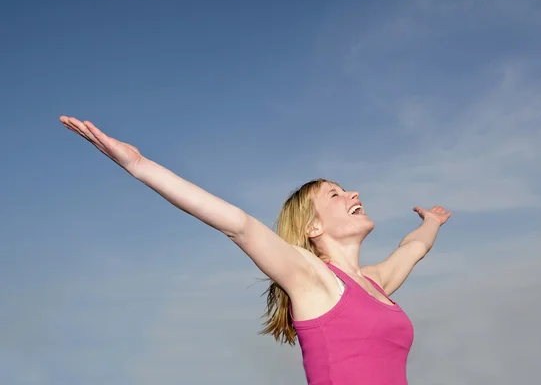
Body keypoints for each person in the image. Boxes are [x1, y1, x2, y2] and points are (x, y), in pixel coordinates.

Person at [59, 116, 451, 385]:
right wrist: (140, 165)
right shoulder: (312, 279)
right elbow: (239, 224)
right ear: (313, 227)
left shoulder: (375, 283)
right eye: (336, 194)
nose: (353, 193)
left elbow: (412, 248)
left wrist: (430, 221)